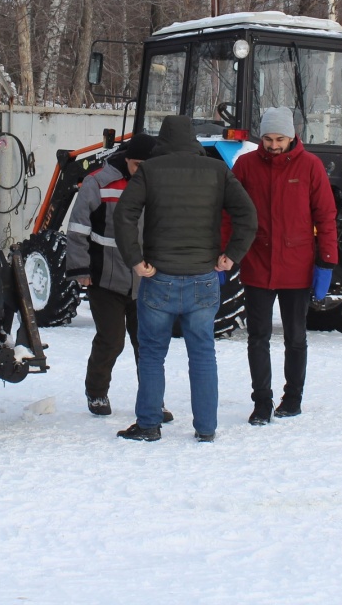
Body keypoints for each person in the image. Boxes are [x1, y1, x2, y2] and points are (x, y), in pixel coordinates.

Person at [112, 115, 257, 443]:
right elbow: (247, 214)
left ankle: (149, 425)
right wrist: (231, 255)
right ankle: (206, 428)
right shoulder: (218, 171)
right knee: (203, 353)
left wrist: (135, 261)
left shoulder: (150, 171)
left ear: (162, 141)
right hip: (203, 279)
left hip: (159, 278)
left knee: (151, 353)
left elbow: (124, 215)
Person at [231, 106, 338, 425]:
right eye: (267, 139)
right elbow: (230, 211)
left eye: (279, 139)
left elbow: (326, 216)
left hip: (297, 265)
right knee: (258, 336)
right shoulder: (245, 165)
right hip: (258, 263)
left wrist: (327, 259)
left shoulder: (310, 166)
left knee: (295, 336)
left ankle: (292, 398)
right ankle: (262, 401)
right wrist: (228, 251)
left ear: (292, 137)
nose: (273, 145)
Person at [65, 133, 166, 418]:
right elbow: (78, 228)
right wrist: (80, 269)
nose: (141, 171)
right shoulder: (98, 182)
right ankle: (96, 392)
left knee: (146, 343)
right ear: (125, 159)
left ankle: (152, 400)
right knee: (111, 339)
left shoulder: (158, 183)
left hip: (145, 280)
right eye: (136, 165)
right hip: (104, 277)